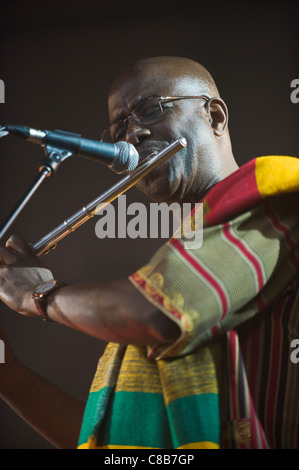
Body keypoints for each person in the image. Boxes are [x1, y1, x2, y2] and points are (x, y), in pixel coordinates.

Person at [0, 56, 299, 449]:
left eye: (149, 109)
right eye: (118, 127)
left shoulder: (278, 191)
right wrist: (10, 377)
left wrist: (39, 296)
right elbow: (116, 443)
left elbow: (157, 315)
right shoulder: (181, 256)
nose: (132, 136)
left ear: (215, 116)